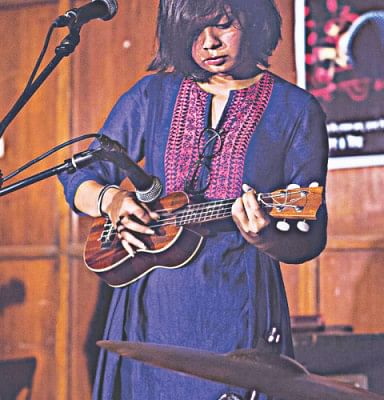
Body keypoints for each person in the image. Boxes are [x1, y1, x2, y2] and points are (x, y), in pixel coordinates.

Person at [60, 0, 328, 398]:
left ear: (254, 20)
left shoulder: (296, 110)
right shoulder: (153, 94)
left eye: (223, 25)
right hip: (150, 308)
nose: (208, 43)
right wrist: (111, 200)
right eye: (192, 31)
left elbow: (311, 236)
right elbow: (78, 173)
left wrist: (265, 236)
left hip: (238, 309)